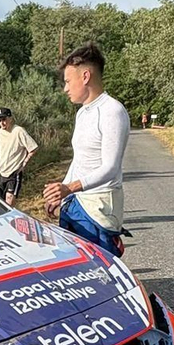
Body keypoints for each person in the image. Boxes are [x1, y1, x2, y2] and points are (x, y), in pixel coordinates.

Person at [44, 43, 129, 256]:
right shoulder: (82, 113)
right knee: (74, 267)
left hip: (98, 209)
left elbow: (110, 167)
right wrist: (60, 194)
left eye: (67, 81)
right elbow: (79, 160)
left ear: (85, 77)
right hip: (75, 202)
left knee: (101, 272)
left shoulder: (112, 111)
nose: (65, 88)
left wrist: (69, 188)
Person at [0, 107, 38, 207]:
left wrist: (24, 164)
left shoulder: (19, 131)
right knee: (0, 201)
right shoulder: (0, 132)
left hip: (14, 172)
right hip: (2, 171)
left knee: (9, 201)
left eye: (4, 119)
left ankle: (10, 220)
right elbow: (0, 150)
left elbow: (33, 148)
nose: (2, 123)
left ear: (10, 118)